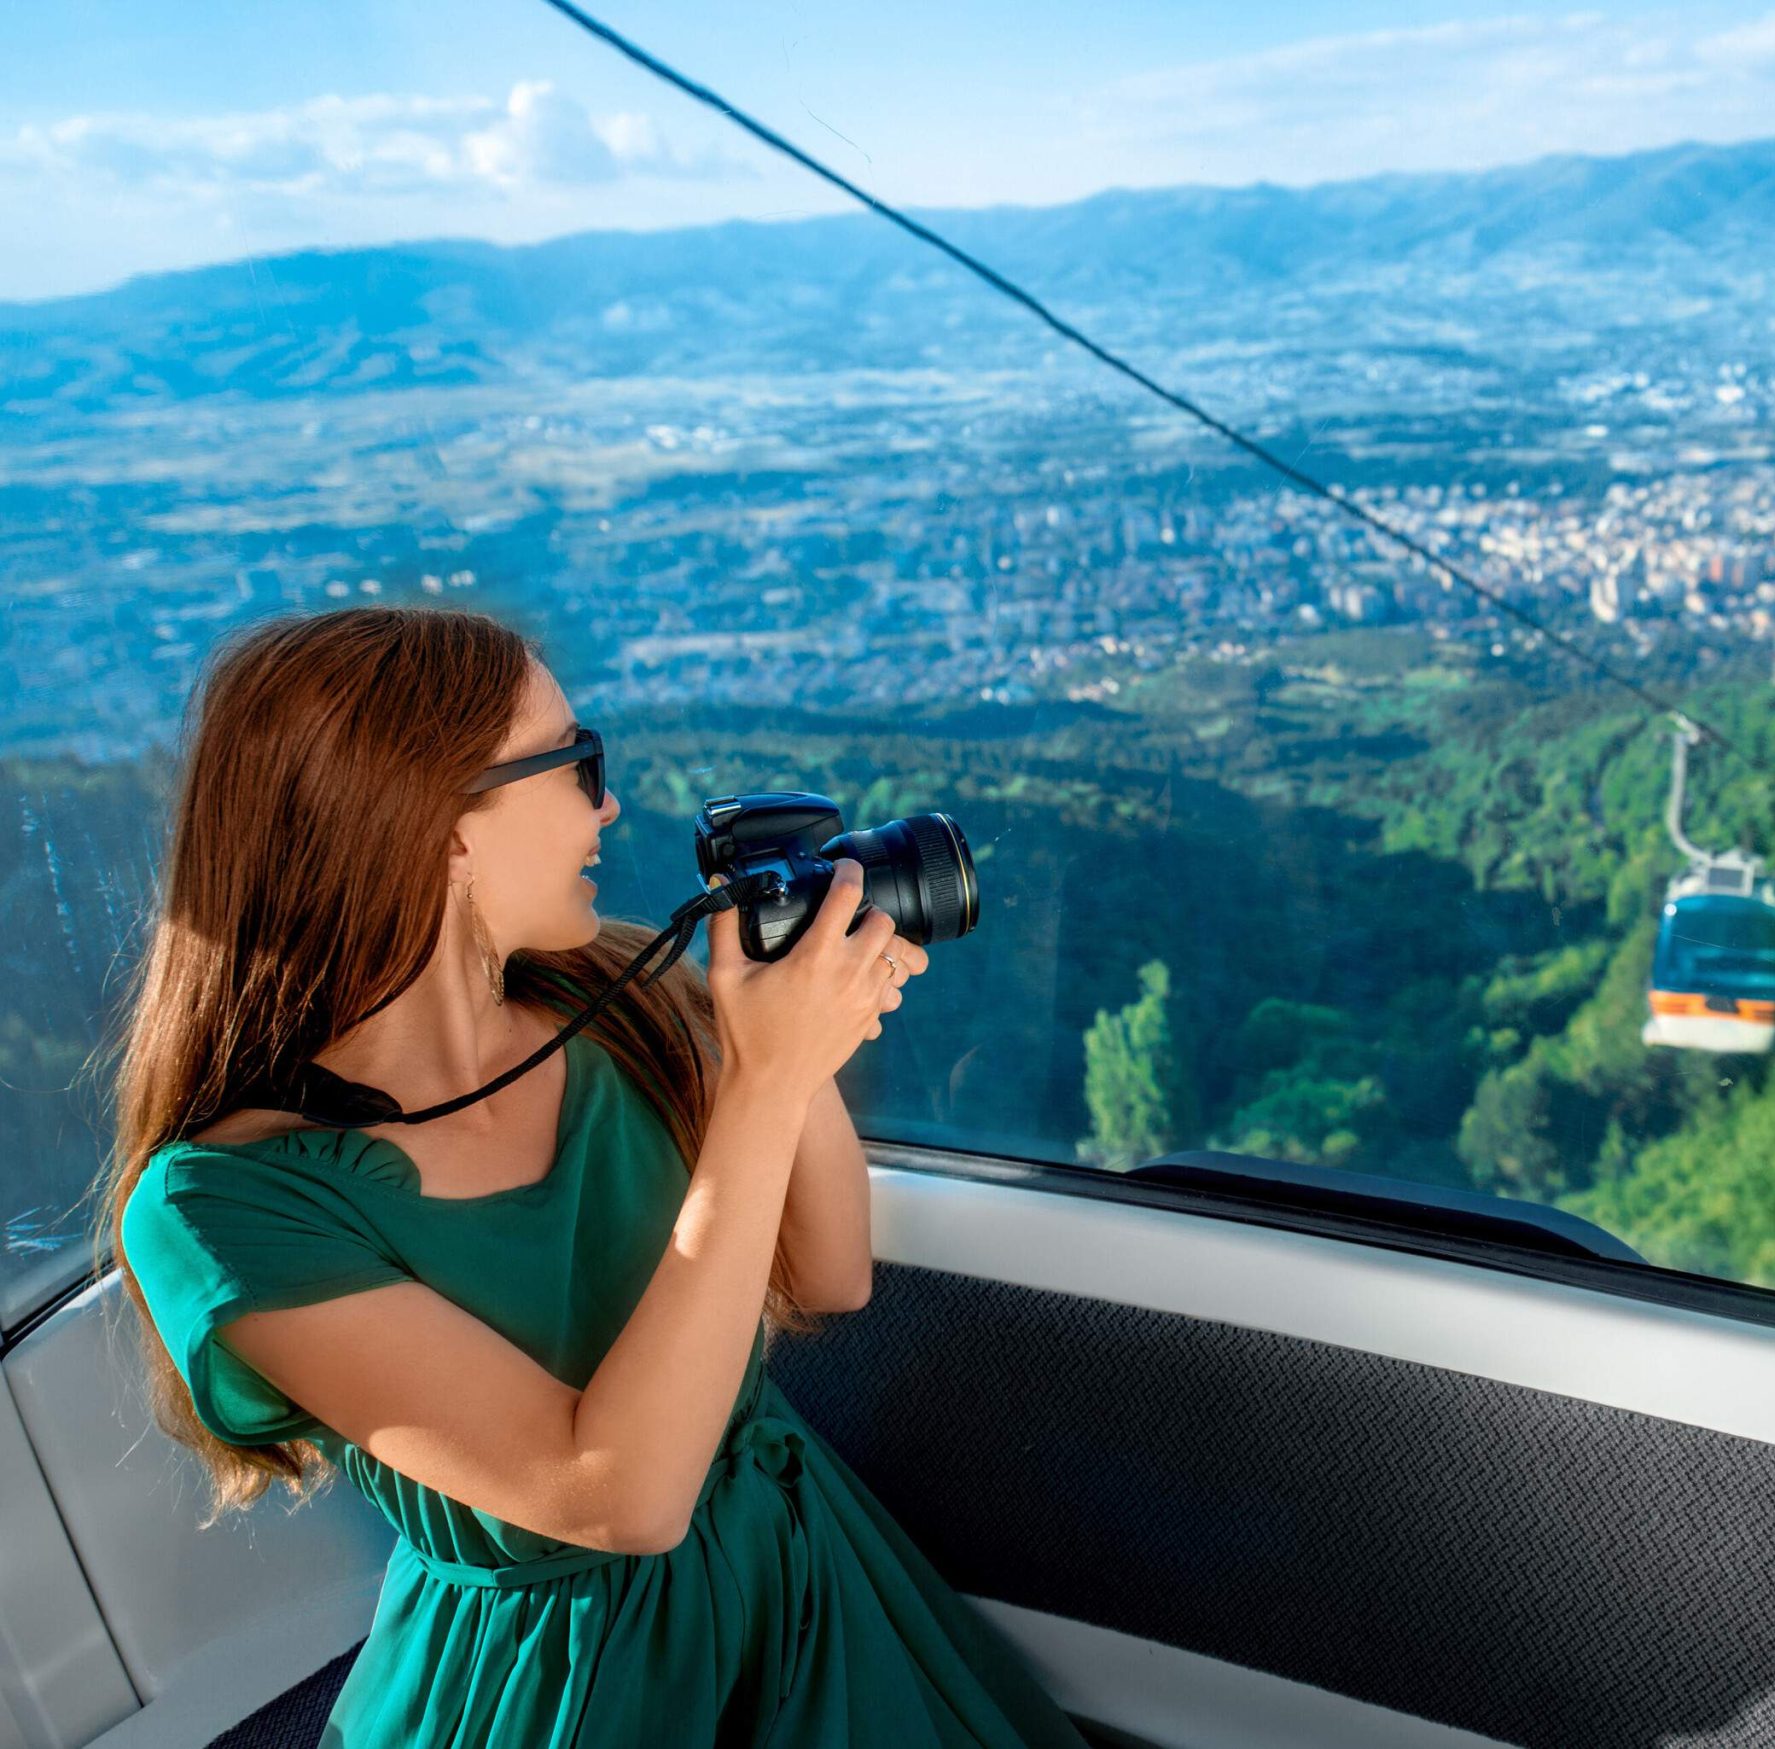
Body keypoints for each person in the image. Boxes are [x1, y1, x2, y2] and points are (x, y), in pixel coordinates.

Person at [98, 605, 1091, 1748]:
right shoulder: (221, 1210)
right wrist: (762, 1085)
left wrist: (786, 1042)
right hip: (560, 1692)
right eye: (578, 765)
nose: (607, 805)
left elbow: (827, 1276)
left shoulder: (613, 994)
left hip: (801, 1587)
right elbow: (618, 1493)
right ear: (440, 825)